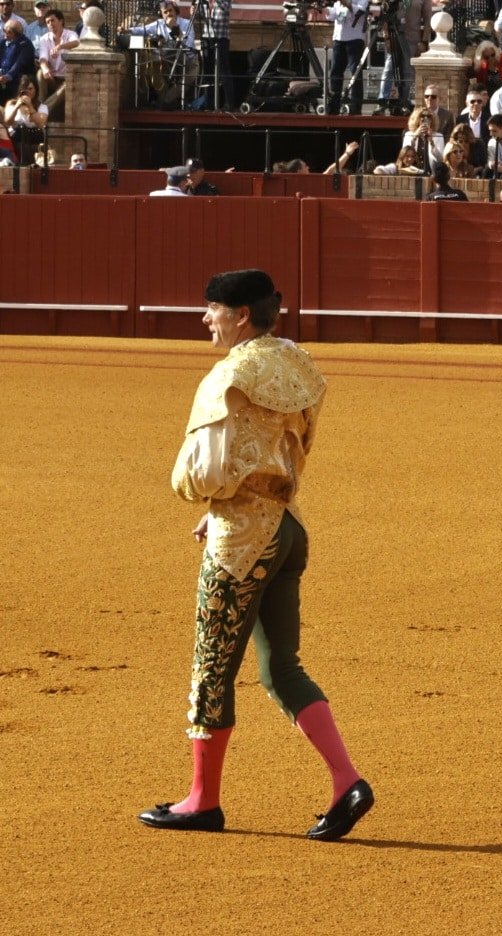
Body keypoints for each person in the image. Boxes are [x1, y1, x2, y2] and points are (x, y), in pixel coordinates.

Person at [138, 269, 374, 839]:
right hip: (287, 526)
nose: (205, 320)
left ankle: (203, 800)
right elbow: (290, 445)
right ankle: (347, 781)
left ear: (241, 315)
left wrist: (206, 497)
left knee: (212, 668)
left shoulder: (228, 375)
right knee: (280, 667)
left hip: (243, 539)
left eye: (212, 309)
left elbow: (209, 471)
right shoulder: (294, 360)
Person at [326, 0, 369, 117]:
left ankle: (355, 106)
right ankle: (334, 104)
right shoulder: (338, 2)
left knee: (355, 72)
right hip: (339, 39)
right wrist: (322, 8)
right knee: (335, 72)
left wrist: (346, 3)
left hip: (354, 39)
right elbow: (332, 15)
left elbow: (360, 11)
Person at [36, 7, 78, 110]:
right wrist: (45, 68)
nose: (50, 24)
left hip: (66, 78)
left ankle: (43, 109)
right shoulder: (44, 39)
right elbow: (42, 58)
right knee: (40, 73)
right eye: (48, 22)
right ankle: (41, 102)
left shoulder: (70, 34)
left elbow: (76, 43)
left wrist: (60, 46)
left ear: (61, 21)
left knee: (69, 84)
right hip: (52, 78)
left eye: (52, 20)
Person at [0, 19, 35, 105]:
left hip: (17, 76)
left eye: (8, 32)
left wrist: (8, 76)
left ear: (15, 34)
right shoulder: (3, 42)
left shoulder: (26, 44)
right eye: (4, 31)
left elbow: (20, 63)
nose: (5, 34)